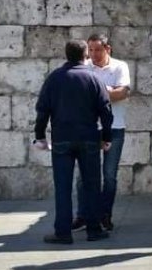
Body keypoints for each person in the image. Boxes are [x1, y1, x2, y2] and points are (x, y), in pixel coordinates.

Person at [33, 39, 113, 245]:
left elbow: (42, 109)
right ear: (85, 55)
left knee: (63, 187)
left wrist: (40, 135)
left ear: (66, 55)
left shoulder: (54, 78)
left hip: (62, 139)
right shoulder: (94, 79)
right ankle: (94, 229)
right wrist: (106, 137)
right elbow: (106, 111)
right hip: (89, 138)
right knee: (92, 185)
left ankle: (63, 231)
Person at [70, 33, 130, 232]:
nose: (93, 54)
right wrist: (107, 92)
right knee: (82, 176)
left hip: (115, 127)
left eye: (97, 50)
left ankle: (105, 214)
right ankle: (83, 215)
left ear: (107, 49)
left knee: (110, 175)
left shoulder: (120, 66)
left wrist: (95, 94)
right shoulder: (84, 67)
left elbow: (122, 93)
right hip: (90, 128)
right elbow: (78, 96)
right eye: (91, 50)